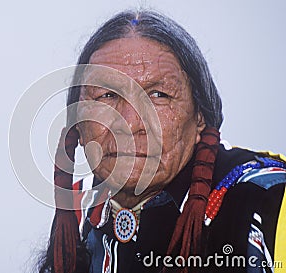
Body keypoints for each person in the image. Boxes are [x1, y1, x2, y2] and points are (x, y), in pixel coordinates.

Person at [38, 10, 286, 273]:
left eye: (158, 95)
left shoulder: (269, 203)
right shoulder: (81, 208)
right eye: (107, 96)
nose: (130, 124)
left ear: (200, 116)